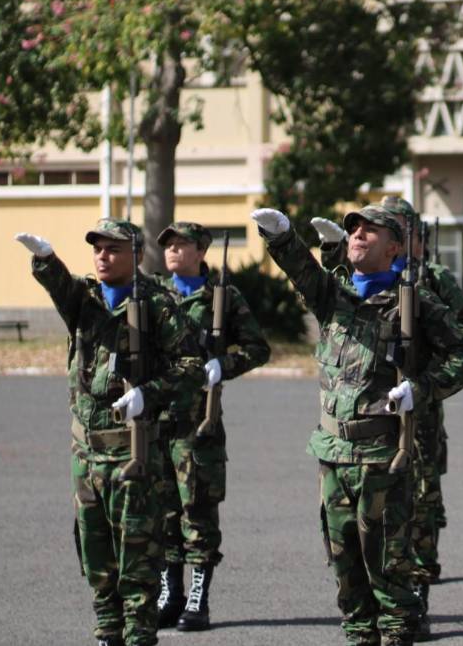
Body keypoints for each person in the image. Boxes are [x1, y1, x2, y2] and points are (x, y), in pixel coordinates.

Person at [251, 205, 463, 646]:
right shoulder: (333, 295)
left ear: (394, 247)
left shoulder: (415, 302)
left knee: (391, 569)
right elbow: (301, 269)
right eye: (354, 229)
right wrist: (280, 236)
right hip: (333, 453)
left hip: (384, 456)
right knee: (346, 571)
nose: (357, 235)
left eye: (369, 231)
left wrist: (424, 387)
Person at [16, 219, 205, 646]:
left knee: (137, 567)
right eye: (97, 248)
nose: (102, 256)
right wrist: (46, 261)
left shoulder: (156, 304)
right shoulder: (85, 301)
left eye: (113, 249)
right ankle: (107, 633)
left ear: (135, 253)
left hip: (132, 455)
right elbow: (61, 289)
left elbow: (191, 367)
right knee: (96, 558)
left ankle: (139, 638)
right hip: (86, 456)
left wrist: (148, 394)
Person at [152, 222, 271, 631]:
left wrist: (225, 364)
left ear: (202, 251)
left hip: (198, 425)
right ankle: (171, 592)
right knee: (162, 513)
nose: (171, 251)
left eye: (181, 244)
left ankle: (199, 597)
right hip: (156, 421)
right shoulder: (152, 293)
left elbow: (258, 348)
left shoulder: (222, 297)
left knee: (197, 512)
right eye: (168, 245)